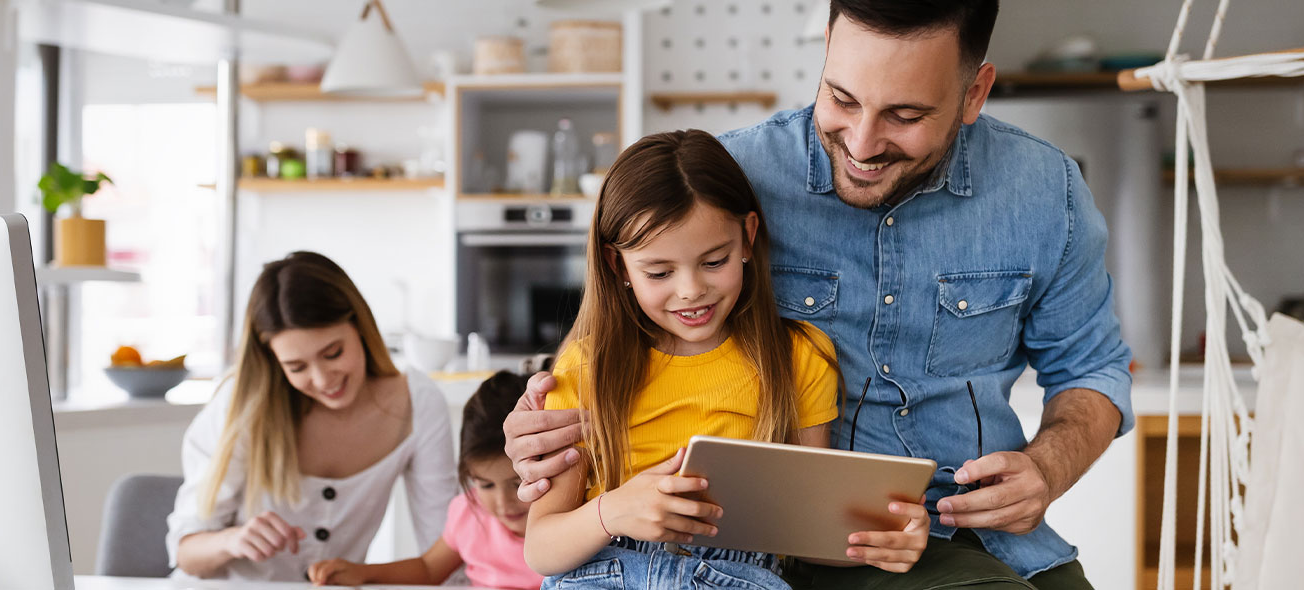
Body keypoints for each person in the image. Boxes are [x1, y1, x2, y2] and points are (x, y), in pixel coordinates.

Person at [504, 1, 1133, 588]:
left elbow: (1093, 369)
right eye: (841, 97)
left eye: (905, 115)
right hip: (789, 548)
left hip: (974, 535)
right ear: (826, 49)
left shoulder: (1046, 192)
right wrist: (534, 428)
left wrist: (1047, 471)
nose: (861, 144)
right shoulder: (728, 182)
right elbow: (617, 337)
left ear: (975, 92)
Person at [522, 130, 931, 589]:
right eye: (659, 272)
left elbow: (808, 531)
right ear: (619, 268)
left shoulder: (799, 356)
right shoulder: (585, 366)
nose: (691, 290)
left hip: (735, 574)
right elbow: (541, 548)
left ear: (747, 240)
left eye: (714, 261)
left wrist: (887, 539)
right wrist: (611, 511)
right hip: (605, 566)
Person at [166, 251, 457, 581]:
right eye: (297, 367)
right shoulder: (243, 405)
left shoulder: (418, 403)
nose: (322, 380)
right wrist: (232, 540)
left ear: (360, 327)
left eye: (333, 353)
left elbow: (447, 548)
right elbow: (186, 554)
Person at [305, 371, 544, 590]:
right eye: (485, 484)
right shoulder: (470, 514)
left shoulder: (562, 521)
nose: (502, 503)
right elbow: (429, 569)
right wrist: (363, 572)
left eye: (518, 483)